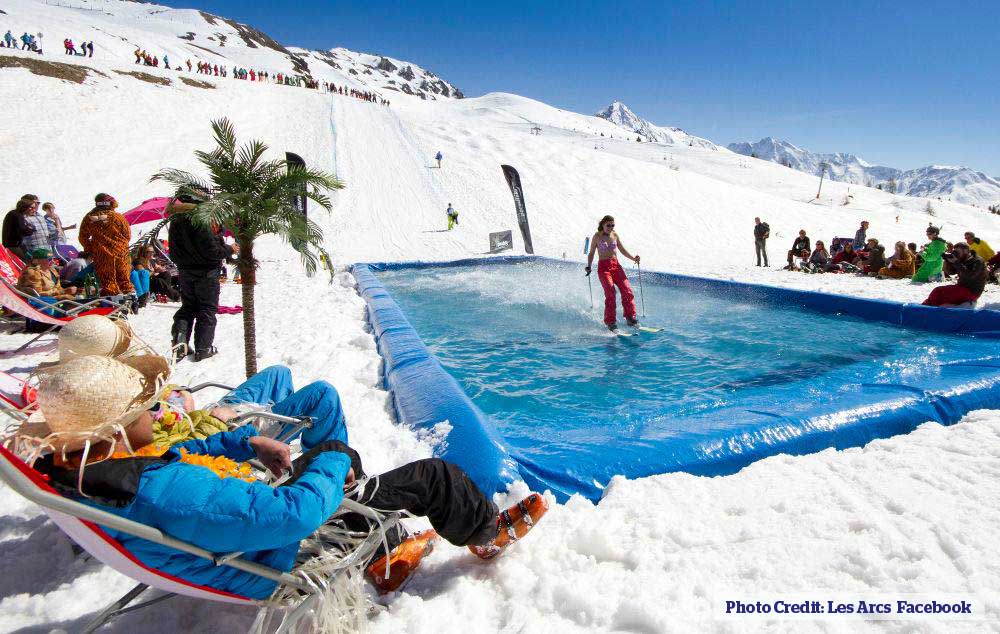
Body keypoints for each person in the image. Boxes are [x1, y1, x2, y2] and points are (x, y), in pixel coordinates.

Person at [28, 359, 546, 599]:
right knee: (435, 477)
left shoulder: (95, 474)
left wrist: (245, 442)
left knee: (341, 464)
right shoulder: (163, 492)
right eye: (145, 407)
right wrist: (334, 455)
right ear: (116, 429)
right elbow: (291, 515)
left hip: (249, 515)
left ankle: (383, 544)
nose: (157, 410)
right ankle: (483, 534)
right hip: (283, 541)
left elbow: (183, 454)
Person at [167, 194, 238, 362]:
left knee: (188, 307)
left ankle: (180, 343)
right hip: (206, 272)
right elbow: (212, 251)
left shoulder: (176, 219)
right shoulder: (201, 219)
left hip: (185, 271)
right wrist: (230, 249)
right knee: (206, 309)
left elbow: (174, 251)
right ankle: (203, 348)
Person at [585, 215, 641, 331]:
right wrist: (589, 266)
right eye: (608, 225)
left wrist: (633, 258)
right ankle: (610, 321)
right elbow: (591, 253)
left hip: (616, 266)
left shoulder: (615, 235)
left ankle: (630, 317)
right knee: (611, 292)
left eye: (612, 225)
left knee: (627, 291)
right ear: (603, 225)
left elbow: (622, 250)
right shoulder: (597, 237)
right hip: (604, 268)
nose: (610, 227)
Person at [78, 194, 134, 296]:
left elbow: (83, 237)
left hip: (102, 255)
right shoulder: (118, 217)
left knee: (108, 281)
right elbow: (128, 235)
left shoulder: (89, 217)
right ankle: (130, 299)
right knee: (124, 279)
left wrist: (92, 249)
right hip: (121, 252)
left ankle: (111, 303)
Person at [922, 243, 987, 307]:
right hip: (962, 288)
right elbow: (951, 272)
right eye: (955, 251)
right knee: (938, 291)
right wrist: (947, 261)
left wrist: (956, 262)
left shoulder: (978, 261)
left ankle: (928, 308)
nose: (957, 254)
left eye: (958, 252)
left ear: (966, 251)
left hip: (972, 292)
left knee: (939, 292)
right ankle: (927, 307)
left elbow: (970, 275)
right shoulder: (962, 259)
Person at [3, 196, 38, 262]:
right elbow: (24, 230)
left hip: (16, 245)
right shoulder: (16, 215)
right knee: (27, 264)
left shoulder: (17, 214)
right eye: (31, 207)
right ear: (24, 207)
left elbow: (26, 228)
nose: (34, 210)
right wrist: (31, 228)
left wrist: (30, 228)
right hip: (13, 246)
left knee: (30, 262)